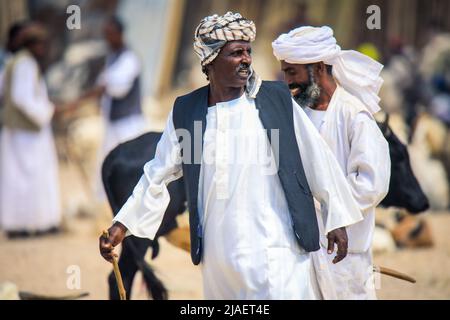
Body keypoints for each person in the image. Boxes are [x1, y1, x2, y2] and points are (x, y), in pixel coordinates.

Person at [99, 12, 363, 300]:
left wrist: (336, 217)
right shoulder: (187, 111)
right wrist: (121, 225)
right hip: (219, 259)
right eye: (237, 53)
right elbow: (157, 174)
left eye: (248, 51)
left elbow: (317, 157)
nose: (247, 59)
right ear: (210, 60)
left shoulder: (275, 99)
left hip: (277, 251)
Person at [272, 25, 391, 299]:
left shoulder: (354, 115)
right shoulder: (294, 114)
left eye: (292, 72)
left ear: (319, 68)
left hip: (344, 256)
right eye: (285, 71)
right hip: (300, 249)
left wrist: (328, 211)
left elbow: (372, 183)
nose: (286, 80)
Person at [69, 16, 148, 199]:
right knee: (110, 166)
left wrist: (78, 102)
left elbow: (114, 87)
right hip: (113, 124)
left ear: (120, 34)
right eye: (105, 34)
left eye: (110, 34)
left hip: (128, 124)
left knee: (129, 167)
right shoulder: (112, 57)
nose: (107, 38)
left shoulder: (130, 59)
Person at [0, 23, 61, 238]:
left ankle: (25, 224)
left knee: (19, 178)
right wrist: (48, 112)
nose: (43, 49)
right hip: (27, 132)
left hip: (19, 130)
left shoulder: (14, 62)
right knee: (29, 178)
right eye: (41, 44)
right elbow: (20, 97)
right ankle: (31, 224)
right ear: (32, 44)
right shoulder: (25, 64)